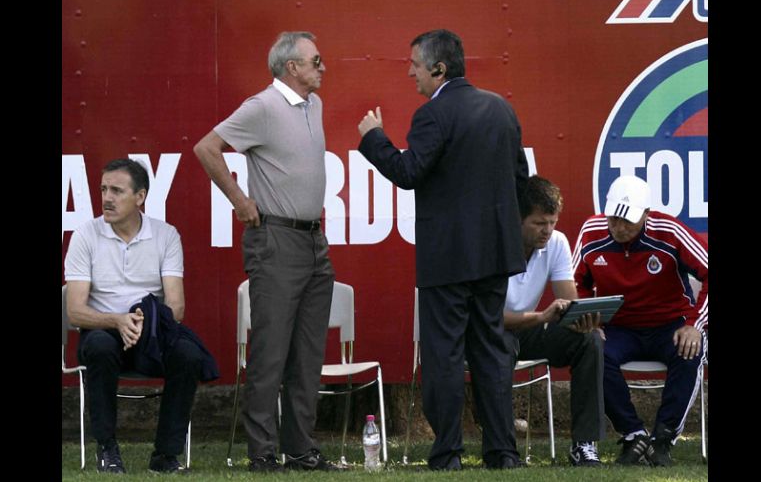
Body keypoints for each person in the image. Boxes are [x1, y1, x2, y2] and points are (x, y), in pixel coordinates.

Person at [357, 29, 529, 470]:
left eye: (415, 64)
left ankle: (448, 453)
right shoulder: (501, 108)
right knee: (491, 352)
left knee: (445, 356)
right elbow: (520, 182)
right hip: (494, 257)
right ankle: (503, 453)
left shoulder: (432, 115)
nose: (410, 72)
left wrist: (374, 137)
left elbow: (408, 170)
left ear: (439, 68)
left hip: (448, 261)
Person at [193, 31, 336, 472]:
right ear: (291, 67)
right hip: (275, 238)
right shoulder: (262, 106)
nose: (322, 67)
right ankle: (263, 453)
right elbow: (206, 148)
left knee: (308, 353)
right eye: (315, 60)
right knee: (271, 351)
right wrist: (240, 200)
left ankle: (299, 449)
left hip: (314, 239)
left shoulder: (315, 104)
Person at [64, 158, 218, 474]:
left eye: (117, 191)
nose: (107, 197)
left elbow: (176, 308)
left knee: (188, 354)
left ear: (140, 197)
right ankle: (107, 450)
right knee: (99, 348)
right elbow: (75, 310)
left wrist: (138, 323)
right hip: (104, 332)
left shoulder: (165, 235)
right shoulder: (85, 235)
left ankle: (165, 456)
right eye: (104, 189)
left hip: (151, 334)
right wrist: (117, 320)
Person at [572, 175, 708, 466]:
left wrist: (694, 324)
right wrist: (590, 319)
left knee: (691, 350)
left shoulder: (669, 230)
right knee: (592, 352)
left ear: (647, 214)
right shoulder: (591, 231)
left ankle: (663, 439)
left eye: (628, 221)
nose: (619, 228)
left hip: (671, 324)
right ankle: (634, 434)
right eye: (613, 220)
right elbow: (576, 283)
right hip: (619, 328)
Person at [502, 175, 605, 467]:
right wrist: (543, 315)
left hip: (530, 329)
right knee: (502, 343)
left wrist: (584, 320)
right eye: (539, 223)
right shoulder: (495, 243)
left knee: (589, 339)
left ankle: (584, 445)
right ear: (518, 219)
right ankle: (503, 449)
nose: (547, 230)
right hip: (492, 331)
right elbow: (490, 317)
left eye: (552, 222)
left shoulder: (557, 242)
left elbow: (568, 303)